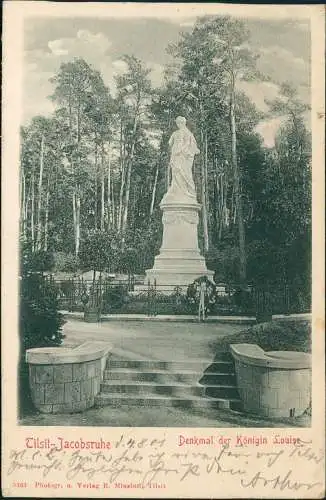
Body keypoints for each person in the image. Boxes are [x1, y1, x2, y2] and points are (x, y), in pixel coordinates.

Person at [162, 116, 200, 203]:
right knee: (176, 173)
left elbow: (193, 147)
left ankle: (188, 193)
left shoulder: (189, 134)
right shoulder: (175, 133)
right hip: (175, 156)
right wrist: (175, 149)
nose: (178, 124)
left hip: (184, 157)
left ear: (184, 123)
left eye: (180, 123)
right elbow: (170, 143)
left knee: (186, 173)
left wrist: (183, 149)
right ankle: (176, 191)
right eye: (177, 123)